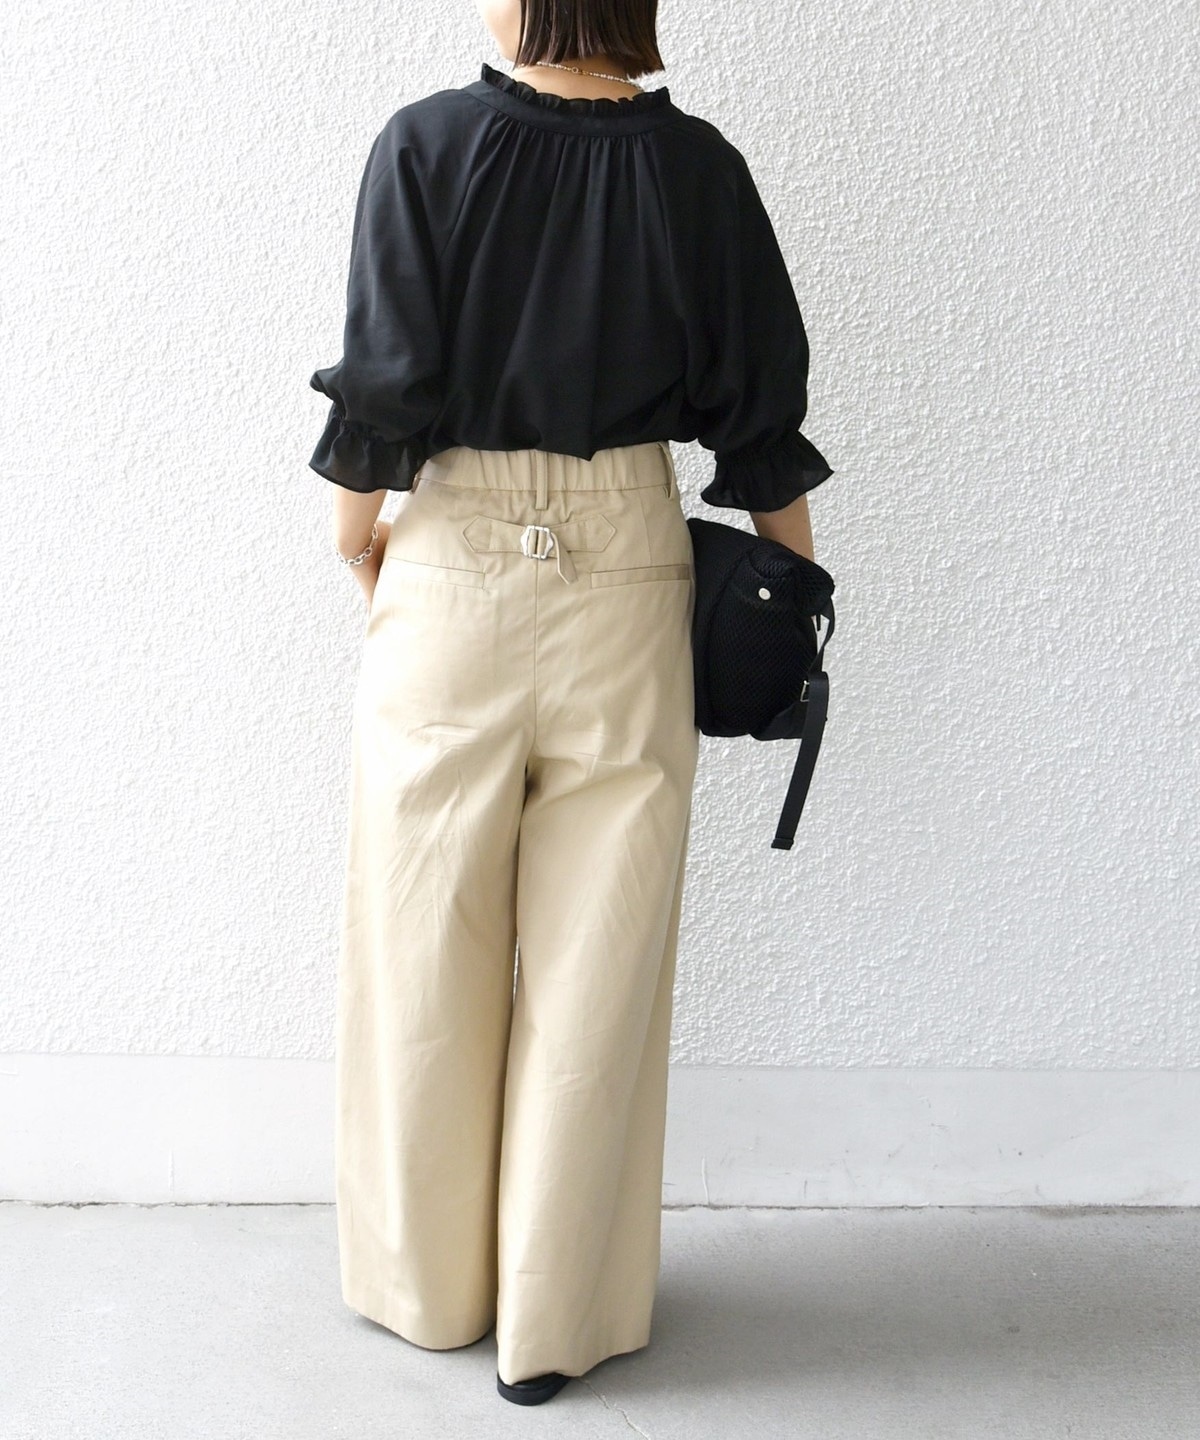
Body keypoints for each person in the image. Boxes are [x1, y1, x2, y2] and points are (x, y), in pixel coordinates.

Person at [306, 0, 834, 1408]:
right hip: (629, 565)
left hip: (451, 563)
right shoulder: (701, 169)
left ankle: (428, 1291)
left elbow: (382, 390)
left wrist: (357, 540)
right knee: (601, 956)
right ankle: (554, 1322)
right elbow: (760, 417)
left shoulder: (425, 145)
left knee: (421, 929)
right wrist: (792, 584)